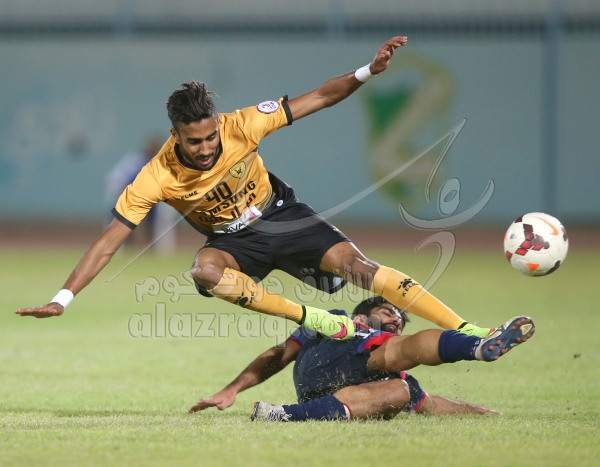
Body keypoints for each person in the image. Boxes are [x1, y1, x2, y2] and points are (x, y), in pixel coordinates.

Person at [15, 36, 491, 344]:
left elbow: (320, 97)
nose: (206, 149)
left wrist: (367, 71)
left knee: (360, 269)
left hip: (282, 214)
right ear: (175, 134)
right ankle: (314, 318)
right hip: (233, 242)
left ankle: (468, 332)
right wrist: (63, 298)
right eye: (194, 142)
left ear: (217, 123)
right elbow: (107, 243)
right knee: (203, 271)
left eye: (211, 137)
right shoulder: (156, 175)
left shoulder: (243, 124)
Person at [189, 298, 535, 421]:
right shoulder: (336, 322)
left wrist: (482, 412)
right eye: (387, 311)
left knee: (401, 391)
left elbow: (431, 404)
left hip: (332, 396)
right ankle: (476, 346)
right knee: (400, 350)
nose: (395, 318)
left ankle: (283, 415)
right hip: (331, 356)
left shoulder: (389, 363)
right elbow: (278, 355)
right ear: (362, 314)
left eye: (399, 319)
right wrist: (233, 388)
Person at [104, 136, 178, 254]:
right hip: (131, 196)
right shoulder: (134, 161)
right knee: (119, 215)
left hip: (156, 200)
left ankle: (164, 251)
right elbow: (115, 181)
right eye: (152, 148)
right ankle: (113, 250)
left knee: (165, 212)